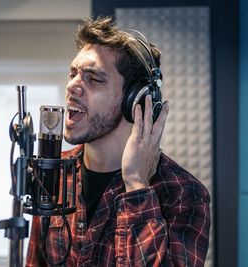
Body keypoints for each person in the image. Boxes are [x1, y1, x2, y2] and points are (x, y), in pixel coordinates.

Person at [26, 17, 211, 267]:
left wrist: (136, 185)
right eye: (73, 74)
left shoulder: (182, 193)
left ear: (134, 100)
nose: (72, 87)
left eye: (94, 78)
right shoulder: (53, 173)